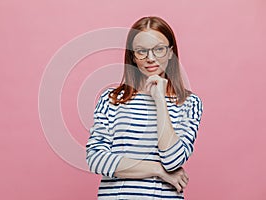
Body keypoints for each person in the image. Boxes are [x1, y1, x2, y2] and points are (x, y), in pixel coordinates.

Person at [86, 16, 203, 199]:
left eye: (159, 49)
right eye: (141, 51)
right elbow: (96, 159)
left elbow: (173, 161)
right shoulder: (111, 99)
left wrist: (160, 100)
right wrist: (157, 170)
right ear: (133, 55)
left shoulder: (189, 103)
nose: (150, 58)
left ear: (170, 52)